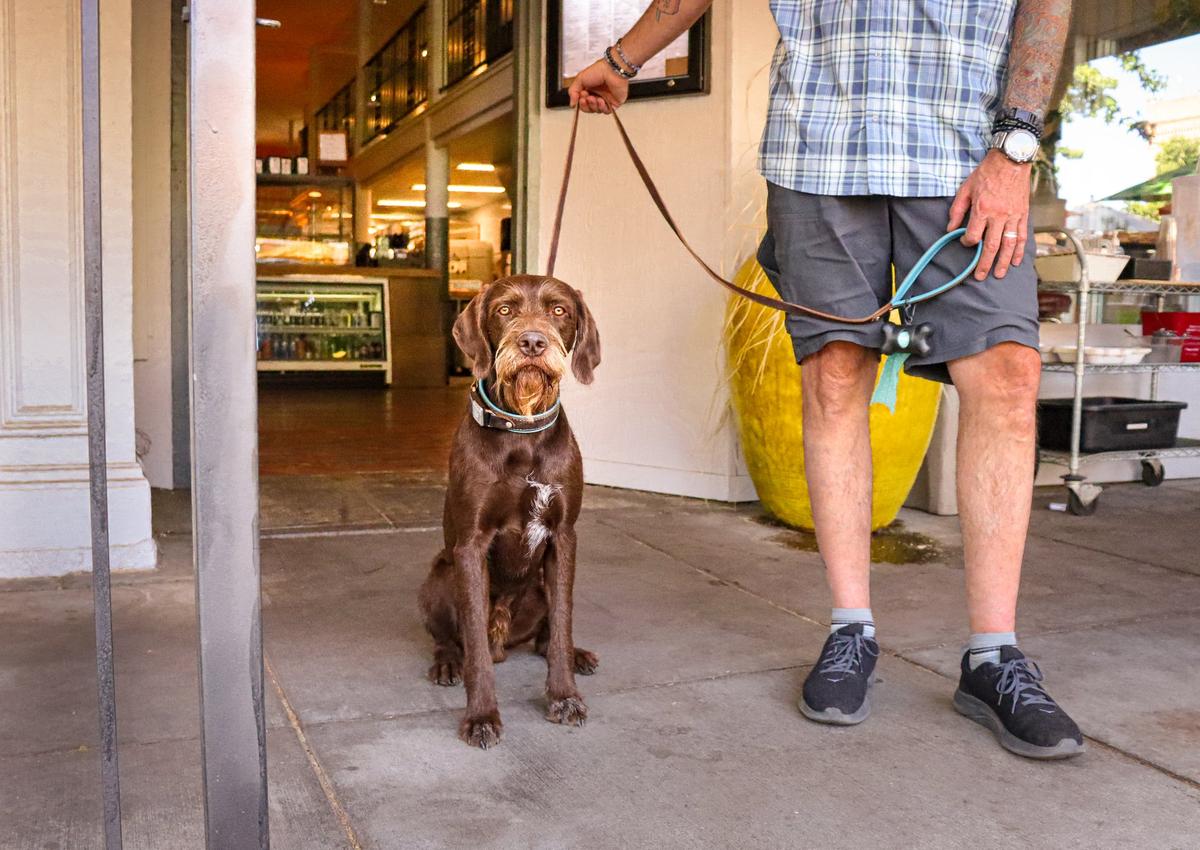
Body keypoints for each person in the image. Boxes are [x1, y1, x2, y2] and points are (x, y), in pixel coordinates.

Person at [570, 0, 1083, 759]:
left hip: (966, 151)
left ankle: (994, 655)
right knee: (834, 378)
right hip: (820, 147)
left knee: (1007, 375)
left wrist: (1015, 146)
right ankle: (850, 632)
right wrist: (620, 62)